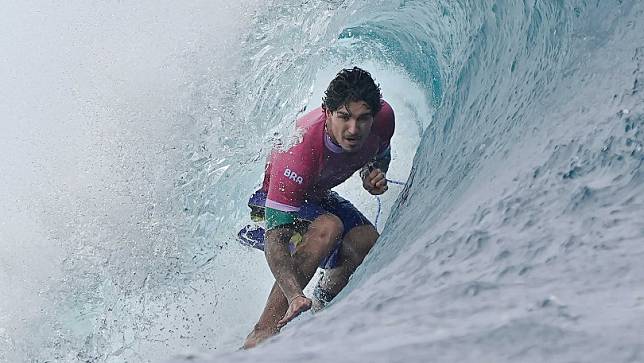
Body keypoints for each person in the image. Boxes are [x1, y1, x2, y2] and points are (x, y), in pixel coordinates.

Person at [241, 67, 395, 349]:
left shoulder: (384, 120)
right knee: (328, 227)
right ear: (327, 112)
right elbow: (275, 238)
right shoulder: (298, 151)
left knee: (365, 241)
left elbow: (378, 153)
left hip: (317, 196)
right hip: (272, 205)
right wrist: (293, 293)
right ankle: (260, 335)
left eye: (363, 119)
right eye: (344, 117)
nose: (353, 129)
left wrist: (372, 174)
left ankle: (322, 305)